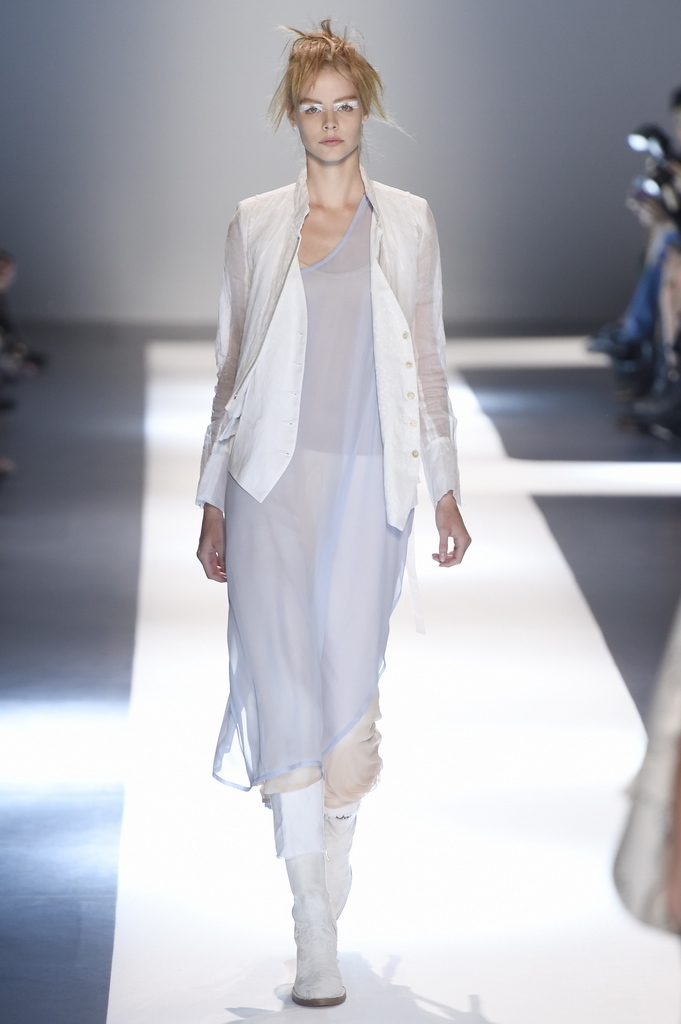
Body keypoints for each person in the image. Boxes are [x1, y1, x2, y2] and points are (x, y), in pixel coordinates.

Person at [196, 21, 470, 1008]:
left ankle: (334, 841)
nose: (328, 122)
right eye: (312, 108)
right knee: (284, 694)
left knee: (348, 720)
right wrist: (212, 498)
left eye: (344, 105)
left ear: (367, 113)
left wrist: (445, 485)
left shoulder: (411, 223)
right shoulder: (255, 224)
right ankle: (312, 920)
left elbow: (427, 359)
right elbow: (230, 369)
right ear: (292, 116)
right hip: (271, 487)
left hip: (369, 487)